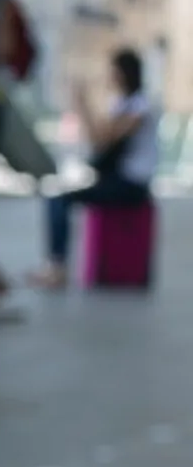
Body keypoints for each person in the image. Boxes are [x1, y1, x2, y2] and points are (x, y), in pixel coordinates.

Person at [28, 46, 158, 288]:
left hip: (131, 185)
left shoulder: (140, 107)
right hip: (115, 179)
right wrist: (83, 107)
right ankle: (55, 264)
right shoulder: (120, 103)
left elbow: (104, 140)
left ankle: (57, 267)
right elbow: (99, 141)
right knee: (58, 199)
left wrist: (84, 106)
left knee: (61, 201)